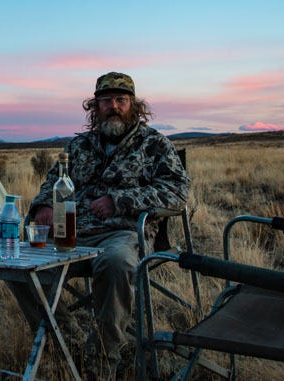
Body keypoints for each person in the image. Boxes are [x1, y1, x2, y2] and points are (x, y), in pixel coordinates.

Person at [27, 71, 190, 375]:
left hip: (122, 234)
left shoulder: (153, 144)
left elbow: (177, 192)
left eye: (121, 100)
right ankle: (68, 343)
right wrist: (44, 206)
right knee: (21, 267)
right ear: (95, 107)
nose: (113, 106)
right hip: (71, 233)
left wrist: (120, 200)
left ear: (133, 105)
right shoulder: (78, 146)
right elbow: (52, 181)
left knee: (116, 263)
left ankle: (101, 363)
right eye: (105, 100)